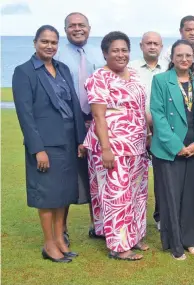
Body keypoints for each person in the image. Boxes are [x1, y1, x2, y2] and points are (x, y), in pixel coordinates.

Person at [13, 25, 87, 263]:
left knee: (62, 194)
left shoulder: (62, 68)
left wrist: (79, 140)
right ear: (35, 43)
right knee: (46, 195)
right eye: (44, 41)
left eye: (54, 42)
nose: (49, 46)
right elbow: (25, 115)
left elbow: (75, 106)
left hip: (67, 142)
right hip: (45, 144)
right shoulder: (24, 72)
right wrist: (38, 149)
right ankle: (48, 244)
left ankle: (59, 240)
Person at [84, 31, 150, 261]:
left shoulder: (133, 76)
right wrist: (105, 149)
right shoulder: (99, 78)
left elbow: (140, 109)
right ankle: (119, 246)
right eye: (115, 50)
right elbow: (99, 116)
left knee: (136, 194)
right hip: (113, 146)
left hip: (137, 145)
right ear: (105, 53)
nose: (121, 55)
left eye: (124, 50)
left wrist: (149, 133)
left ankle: (134, 236)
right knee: (117, 195)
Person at [150, 40, 194, 260]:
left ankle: (193, 240)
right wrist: (177, 146)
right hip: (169, 150)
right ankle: (176, 245)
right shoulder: (160, 81)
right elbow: (157, 115)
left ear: (193, 58)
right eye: (179, 55)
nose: (184, 59)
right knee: (171, 197)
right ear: (172, 58)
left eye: (188, 55)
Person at [54, 12, 104, 243]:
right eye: (72, 26)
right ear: (65, 29)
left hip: (96, 121)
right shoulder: (57, 54)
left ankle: (99, 225)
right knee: (66, 176)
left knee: (97, 175)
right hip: (66, 122)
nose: (77, 29)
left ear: (89, 28)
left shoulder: (98, 54)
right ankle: (61, 230)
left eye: (81, 25)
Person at [128, 31, 165, 230]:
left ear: (161, 47)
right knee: (135, 174)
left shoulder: (169, 68)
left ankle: (160, 216)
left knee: (162, 174)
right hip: (134, 128)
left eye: (156, 43)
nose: (152, 46)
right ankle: (133, 216)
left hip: (162, 130)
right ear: (141, 45)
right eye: (148, 43)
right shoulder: (130, 68)